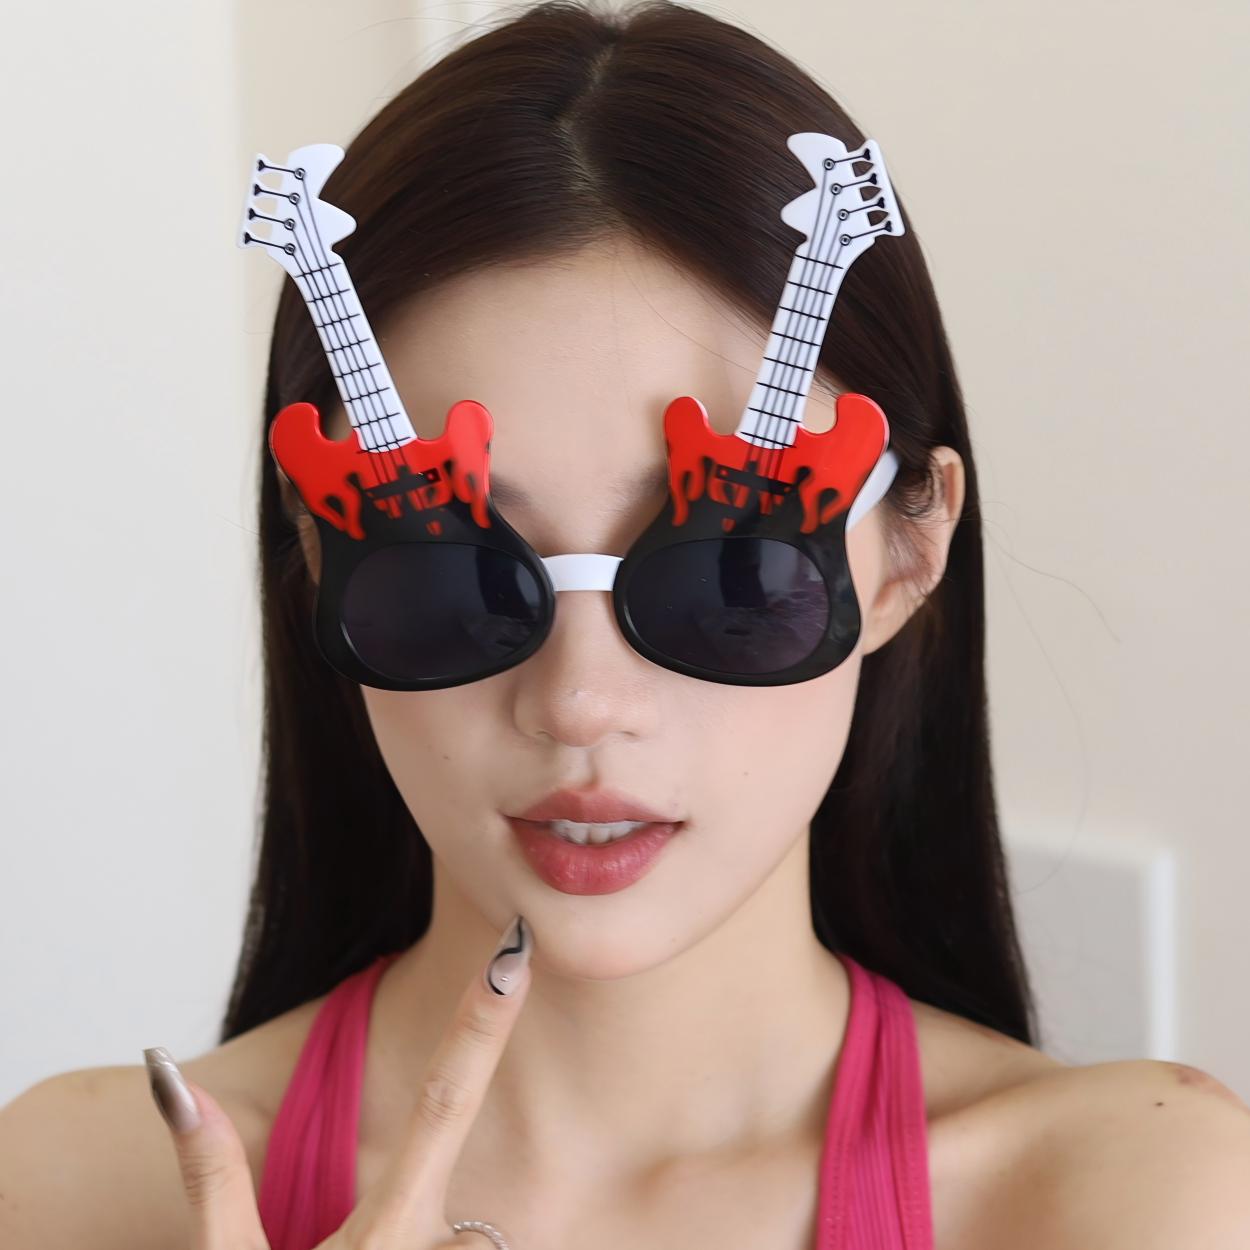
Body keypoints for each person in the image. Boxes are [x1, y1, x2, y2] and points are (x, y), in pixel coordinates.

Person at [3, 2, 1249, 1248]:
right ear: (321, 552)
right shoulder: (74, 1192)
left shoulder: (1138, 1198)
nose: (578, 699)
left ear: (907, 554)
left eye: (730, 569)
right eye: (445, 572)